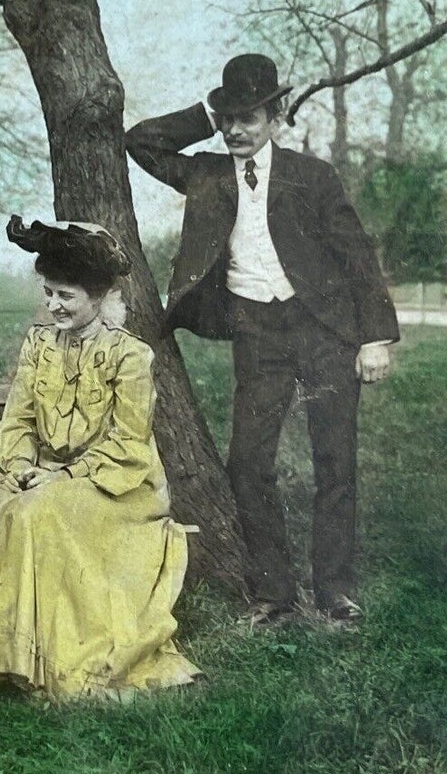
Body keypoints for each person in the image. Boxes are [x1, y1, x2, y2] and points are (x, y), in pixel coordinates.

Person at [126, 53, 399, 630]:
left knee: (335, 461)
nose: (234, 131)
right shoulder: (206, 174)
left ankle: (335, 591)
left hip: (324, 331)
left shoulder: (312, 176)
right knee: (247, 463)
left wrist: (375, 338)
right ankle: (273, 594)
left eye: (247, 117)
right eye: (226, 119)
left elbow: (358, 258)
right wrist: (204, 114)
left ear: (275, 115)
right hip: (256, 333)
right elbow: (141, 142)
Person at [0, 217, 198, 698]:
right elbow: (16, 418)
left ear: (98, 298)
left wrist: (64, 476)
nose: (53, 305)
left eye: (66, 296)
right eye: (48, 292)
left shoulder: (129, 355)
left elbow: (129, 442)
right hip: (41, 475)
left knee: (41, 513)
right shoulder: (38, 344)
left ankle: (49, 667)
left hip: (116, 485)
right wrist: (18, 467)